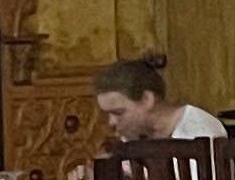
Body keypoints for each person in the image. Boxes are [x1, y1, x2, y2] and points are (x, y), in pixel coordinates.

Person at [93, 55, 227, 148]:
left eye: (118, 112)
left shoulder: (199, 129)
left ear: (147, 99)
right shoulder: (136, 134)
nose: (111, 122)